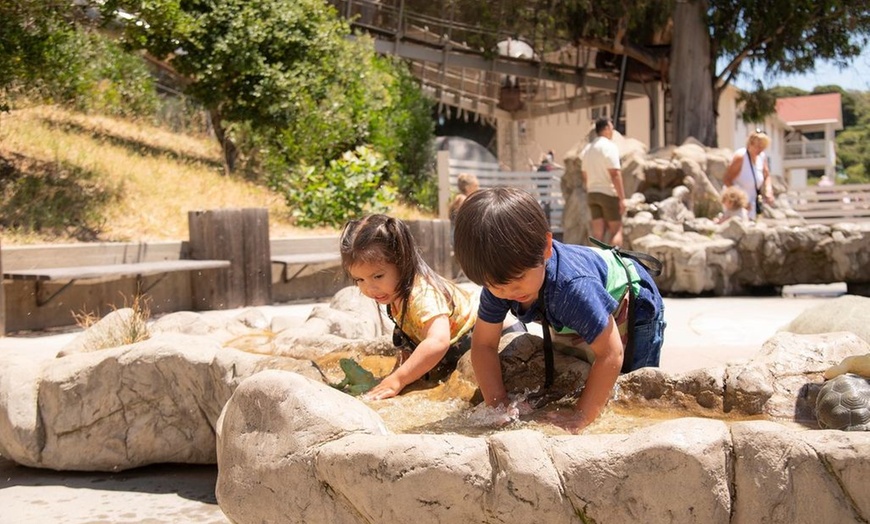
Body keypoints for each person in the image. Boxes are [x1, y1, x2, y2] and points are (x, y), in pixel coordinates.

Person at [452, 187, 666, 433]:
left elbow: (611, 354)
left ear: (546, 248)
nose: (510, 292)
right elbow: (484, 345)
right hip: (571, 302)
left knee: (631, 387)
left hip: (634, 301)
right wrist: (498, 405)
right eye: (496, 286)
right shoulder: (501, 280)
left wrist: (581, 416)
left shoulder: (572, 288)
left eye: (519, 278)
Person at [339, 214, 521, 400]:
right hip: (465, 344)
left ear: (402, 261)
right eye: (359, 279)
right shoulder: (393, 293)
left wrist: (399, 379)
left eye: (377, 276)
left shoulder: (422, 295)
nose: (369, 288)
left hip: (500, 337)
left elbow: (437, 342)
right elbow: (408, 341)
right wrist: (394, 377)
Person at [581, 117, 626, 247]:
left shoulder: (588, 149)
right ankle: (615, 264)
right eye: (611, 128)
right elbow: (615, 174)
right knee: (616, 231)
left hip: (592, 194)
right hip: (607, 193)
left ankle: (594, 265)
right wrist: (622, 199)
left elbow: (584, 175)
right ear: (606, 129)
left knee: (597, 235)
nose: (613, 131)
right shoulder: (609, 146)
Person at [723, 130, 773, 220]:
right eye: (757, 146)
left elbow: (766, 175)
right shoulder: (740, 157)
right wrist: (741, 201)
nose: (760, 149)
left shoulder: (761, 157)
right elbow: (727, 179)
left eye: (762, 146)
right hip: (736, 205)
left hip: (752, 204)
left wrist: (768, 191)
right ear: (750, 144)